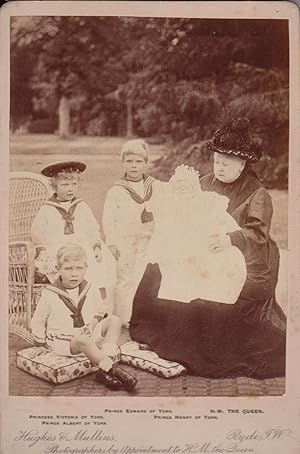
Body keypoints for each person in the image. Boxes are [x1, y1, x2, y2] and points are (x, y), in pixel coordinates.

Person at [130, 117, 286, 379]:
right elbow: (183, 208)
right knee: (160, 268)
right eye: (216, 161)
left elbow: (259, 233)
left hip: (246, 256)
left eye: (226, 162)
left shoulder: (257, 193)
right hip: (203, 250)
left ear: (243, 163)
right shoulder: (206, 181)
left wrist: (229, 239)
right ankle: (163, 331)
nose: (219, 167)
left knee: (216, 289)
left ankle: (205, 348)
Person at [31, 243, 137, 391]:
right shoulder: (49, 293)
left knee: (114, 320)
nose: (74, 274)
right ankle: (113, 369)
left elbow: (100, 309)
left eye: (79, 268)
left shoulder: (90, 288)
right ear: (58, 269)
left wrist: (92, 324)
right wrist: (40, 344)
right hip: (63, 340)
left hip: (86, 333)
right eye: (68, 269)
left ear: (86, 268)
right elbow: (38, 320)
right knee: (82, 340)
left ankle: (103, 370)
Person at [30, 161, 116, 308]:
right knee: (65, 265)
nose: (70, 189)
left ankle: (99, 307)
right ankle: (69, 303)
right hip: (57, 247)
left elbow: (92, 228)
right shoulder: (47, 208)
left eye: (74, 184)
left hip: (83, 246)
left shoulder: (81, 206)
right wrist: (42, 250)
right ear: (54, 186)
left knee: (100, 265)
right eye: (64, 185)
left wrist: (96, 246)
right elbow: (36, 231)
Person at [102, 139, 161, 325]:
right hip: (124, 241)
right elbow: (108, 219)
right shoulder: (117, 190)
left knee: (143, 275)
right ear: (123, 163)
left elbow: (165, 210)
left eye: (138, 162)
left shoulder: (155, 186)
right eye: (129, 161)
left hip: (148, 240)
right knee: (124, 277)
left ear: (145, 163)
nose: (134, 166)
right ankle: (121, 317)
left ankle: (140, 316)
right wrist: (111, 243)